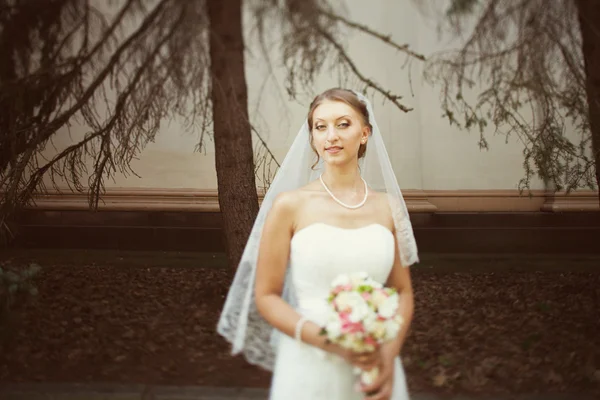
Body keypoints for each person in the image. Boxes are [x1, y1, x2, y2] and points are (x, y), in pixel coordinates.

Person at [217, 88, 419, 400]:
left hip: (373, 365)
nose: (331, 136)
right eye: (320, 126)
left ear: (364, 134)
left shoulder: (388, 207)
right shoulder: (290, 205)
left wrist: (388, 357)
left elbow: (402, 291)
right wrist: (331, 343)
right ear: (311, 136)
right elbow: (267, 296)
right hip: (308, 363)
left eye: (343, 124)